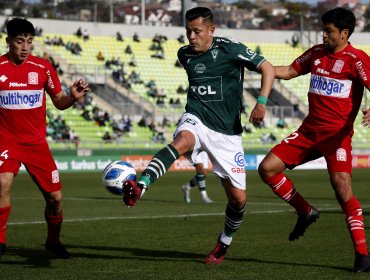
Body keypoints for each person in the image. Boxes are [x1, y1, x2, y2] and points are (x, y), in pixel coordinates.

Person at [121, 7, 274, 265]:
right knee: (180, 142)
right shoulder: (185, 54)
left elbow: (268, 68)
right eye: (188, 31)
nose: (191, 37)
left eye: (197, 31)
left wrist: (261, 102)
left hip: (227, 133)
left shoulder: (230, 49)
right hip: (197, 118)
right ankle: (141, 185)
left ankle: (223, 243)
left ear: (211, 30)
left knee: (238, 200)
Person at [257, 7, 370, 273]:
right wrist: (258, 65)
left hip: (336, 137)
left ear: (344, 33)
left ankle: (363, 255)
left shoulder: (356, 59)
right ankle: (305, 211)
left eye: (329, 31)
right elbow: (288, 70)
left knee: (342, 189)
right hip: (308, 132)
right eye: (324, 29)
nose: (323, 34)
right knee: (267, 169)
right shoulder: (316, 53)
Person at [0, 18, 90, 259]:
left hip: (36, 144)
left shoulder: (43, 68)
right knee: (2, 184)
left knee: (56, 199)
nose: (25, 47)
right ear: (8, 41)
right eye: (20, 42)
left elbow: (59, 101)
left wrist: (72, 97)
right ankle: (0, 241)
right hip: (5, 142)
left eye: (29, 42)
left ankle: (53, 241)